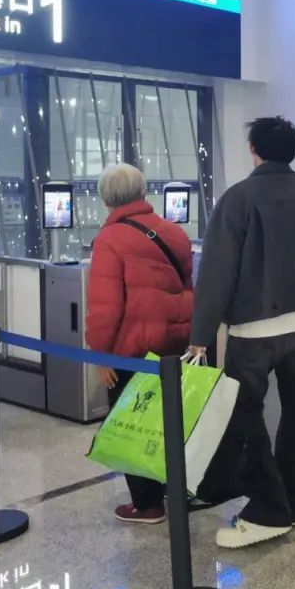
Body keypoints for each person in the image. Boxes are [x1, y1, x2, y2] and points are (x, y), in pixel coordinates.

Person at [190, 117, 295, 548]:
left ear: (254, 150)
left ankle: (267, 509)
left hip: (253, 330)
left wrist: (200, 333)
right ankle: (294, 502)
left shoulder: (238, 198)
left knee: (243, 416)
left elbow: (217, 272)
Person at [87, 163, 194, 524]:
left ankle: (147, 504)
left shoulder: (110, 239)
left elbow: (106, 306)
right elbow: (185, 287)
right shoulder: (173, 232)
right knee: (168, 420)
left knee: (133, 424)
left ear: (106, 199)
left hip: (132, 349)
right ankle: (172, 488)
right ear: (144, 192)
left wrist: (100, 355)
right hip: (174, 342)